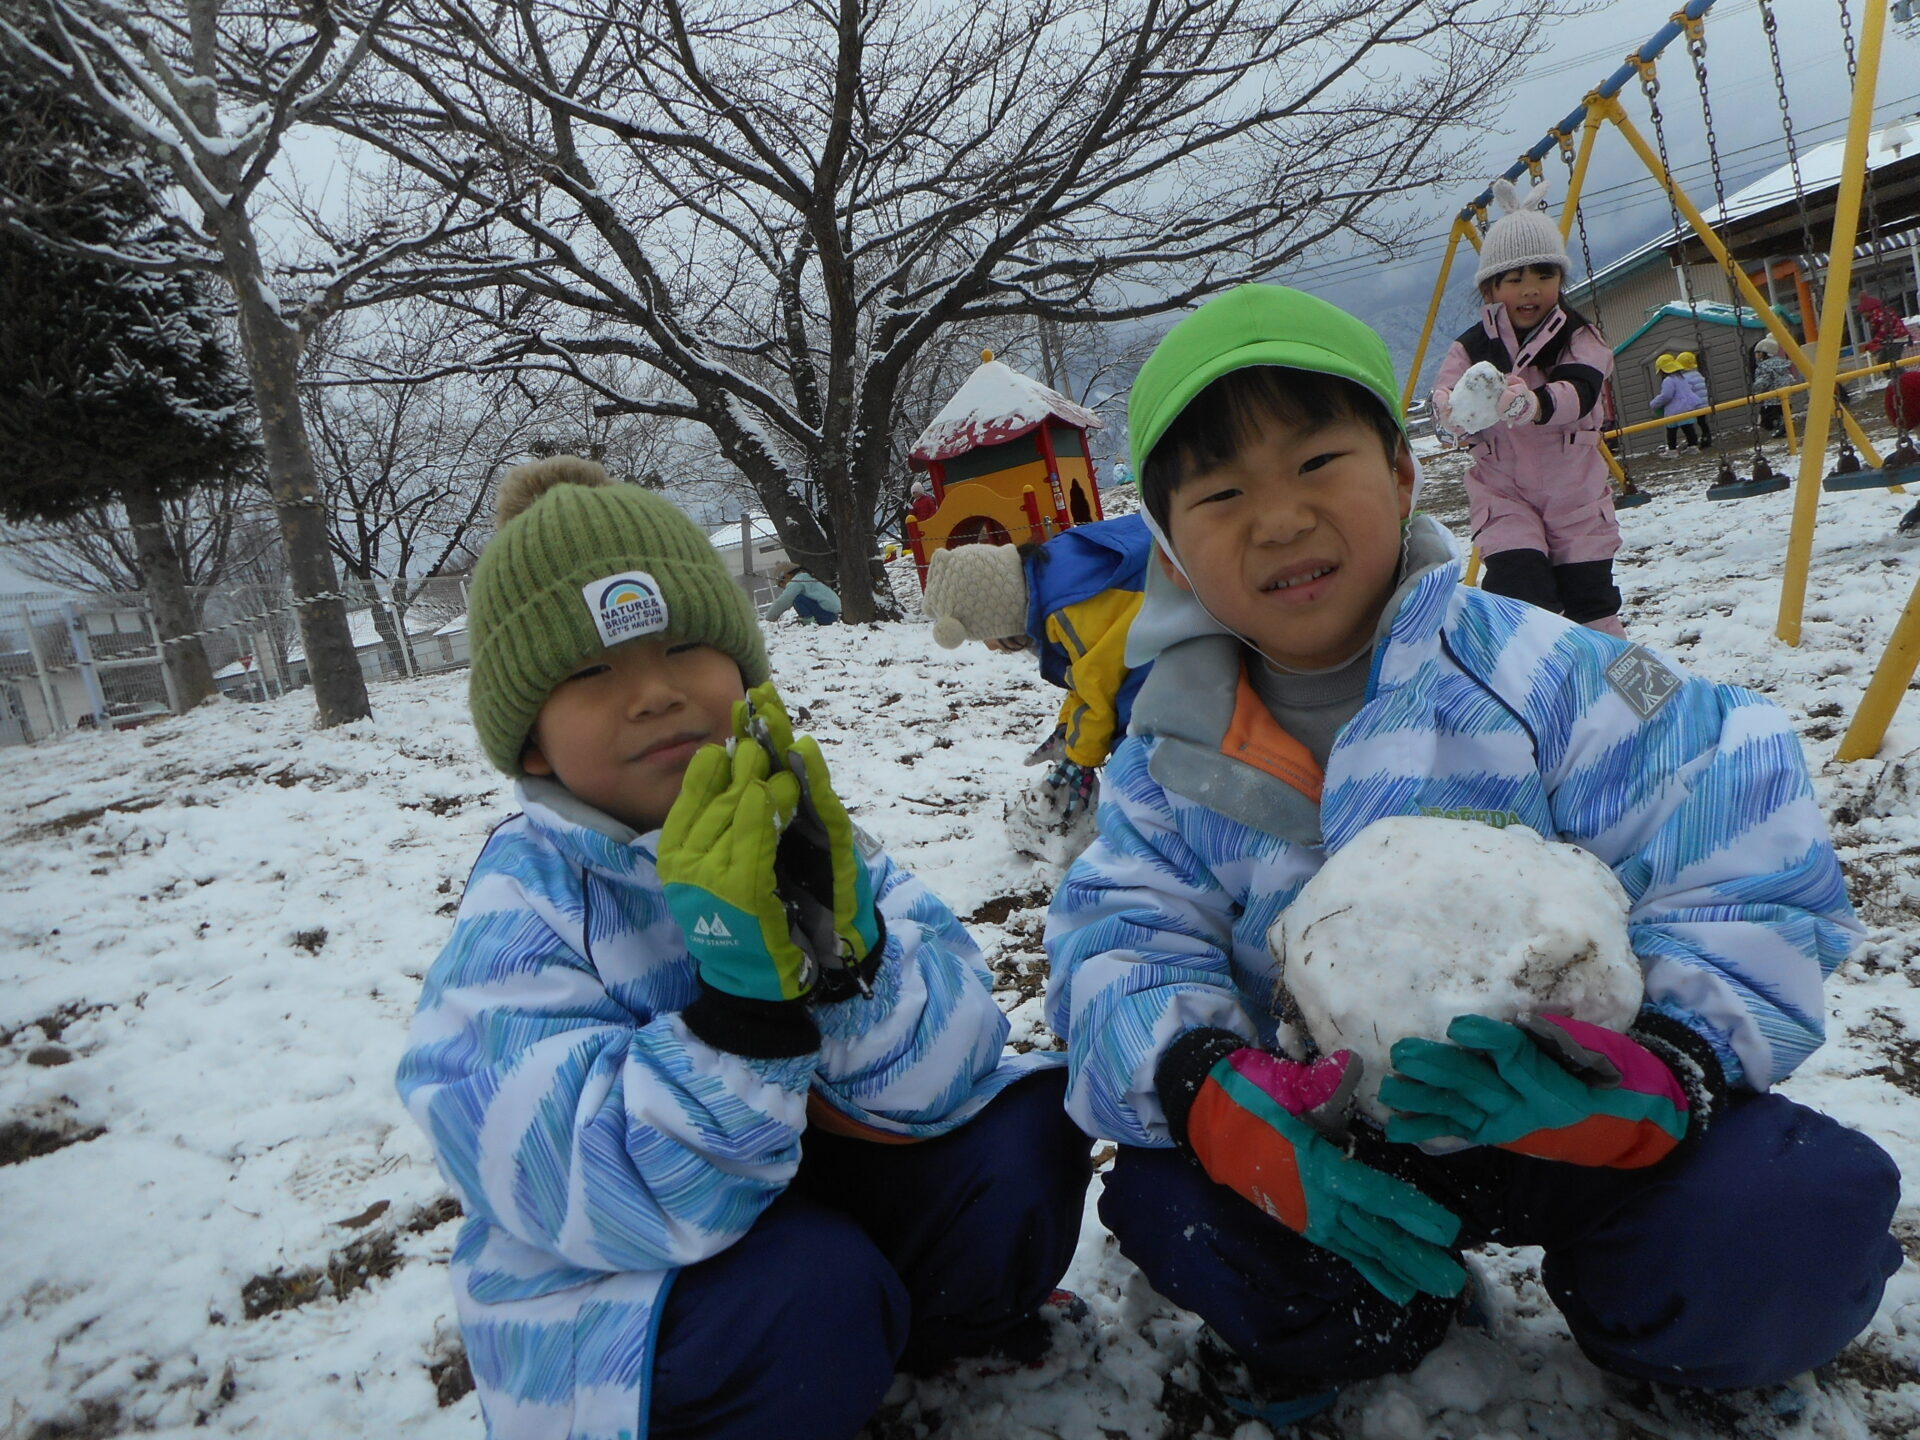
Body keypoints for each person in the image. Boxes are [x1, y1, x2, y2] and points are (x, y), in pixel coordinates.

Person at [1044, 282, 1901, 1434]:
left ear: (1403, 475)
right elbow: (1118, 937)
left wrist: (1668, 1066)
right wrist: (1206, 1088)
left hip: (1579, 1113)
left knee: (1788, 1213)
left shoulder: (1549, 670)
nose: (1280, 520)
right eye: (1222, 493)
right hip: (1334, 1149)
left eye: (1317, 462)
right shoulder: (1165, 761)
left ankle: (1648, 1310)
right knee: (1170, 1202)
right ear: (1171, 548)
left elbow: (1735, 811)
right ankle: (1378, 1309)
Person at [397, 457, 1091, 1440]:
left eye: (684, 647)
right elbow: (572, 1180)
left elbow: (958, 1060)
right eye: (591, 672)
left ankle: (930, 1333)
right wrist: (741, 1023)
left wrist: (851, 963)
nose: (653, 694)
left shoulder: (796, 822)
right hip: (644, 1284)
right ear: (532, 742)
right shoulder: (527, 915)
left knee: (1023, 1141)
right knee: (812, 1295)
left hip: (818, 1196)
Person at [1431, 178, 1626, 638]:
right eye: (1515, 279)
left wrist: (1535, 404)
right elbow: (1448, 397)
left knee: (1591, 603)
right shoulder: (1472, 347)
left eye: (1544, 276)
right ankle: (1528, 673)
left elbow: (1581, 391)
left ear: (1560, 280)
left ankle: (1610, 678)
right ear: (1491, 287)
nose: (1530, 290)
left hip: (1575, 497)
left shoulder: (1580, 337)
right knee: (1521, 594)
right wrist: (1448, 413)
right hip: (1504, 496)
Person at [920, 512, 1152, 818]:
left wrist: (1081, 757)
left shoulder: (1065, 611)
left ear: (1000, 615)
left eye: (988, 636)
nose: (991, 647)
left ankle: (1155, 812)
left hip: (1177, 628)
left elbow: (1100, 685)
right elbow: (1085, 672)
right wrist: (1067, 728)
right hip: (1164, 610)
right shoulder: (1048, 573)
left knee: (1137, 735)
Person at [1651, 351, 1711, 451]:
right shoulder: (1681, 377)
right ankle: (1693, 445)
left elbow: (1666, 395)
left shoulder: (1669, 380)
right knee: (1688, 428)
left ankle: (1672, 450)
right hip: (1687, 407)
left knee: (1671, 430)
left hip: (1675, 410)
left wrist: (1654, 404)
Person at [764, 561, 843, 625]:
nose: (785, 588)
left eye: (782, 585)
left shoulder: (796, 581)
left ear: (786, 576)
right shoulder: (806, 578)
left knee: (797, 599)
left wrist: (769, 618)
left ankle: (810, 622)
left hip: (828, 616)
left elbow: (784, 600)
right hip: (836, 614)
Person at [1753, 335, 1796, 436]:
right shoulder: (1783, 364)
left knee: (1766, 421)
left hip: (1770, 399)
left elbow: (1763, 382)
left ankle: (1779, 425)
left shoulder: (1763, 367)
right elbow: (1790, 378)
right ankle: (1783, 426)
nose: (1756, 356)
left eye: (1758, 353)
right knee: (1783, 413)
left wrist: (1756, 390)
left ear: (1764, 353)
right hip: (1785, 397)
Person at [1855, 292, 1911, 369]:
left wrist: (1876, 341)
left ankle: (1898, 375)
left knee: (1889, 361)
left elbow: (1885, 328)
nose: (1863, 316)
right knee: (1887, 361)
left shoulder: (1877, 315)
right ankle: (1896, 375)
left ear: (1867, 310)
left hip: (1896, 339)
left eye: (1863, 313)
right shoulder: (1880, 311)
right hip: (1897, 337)